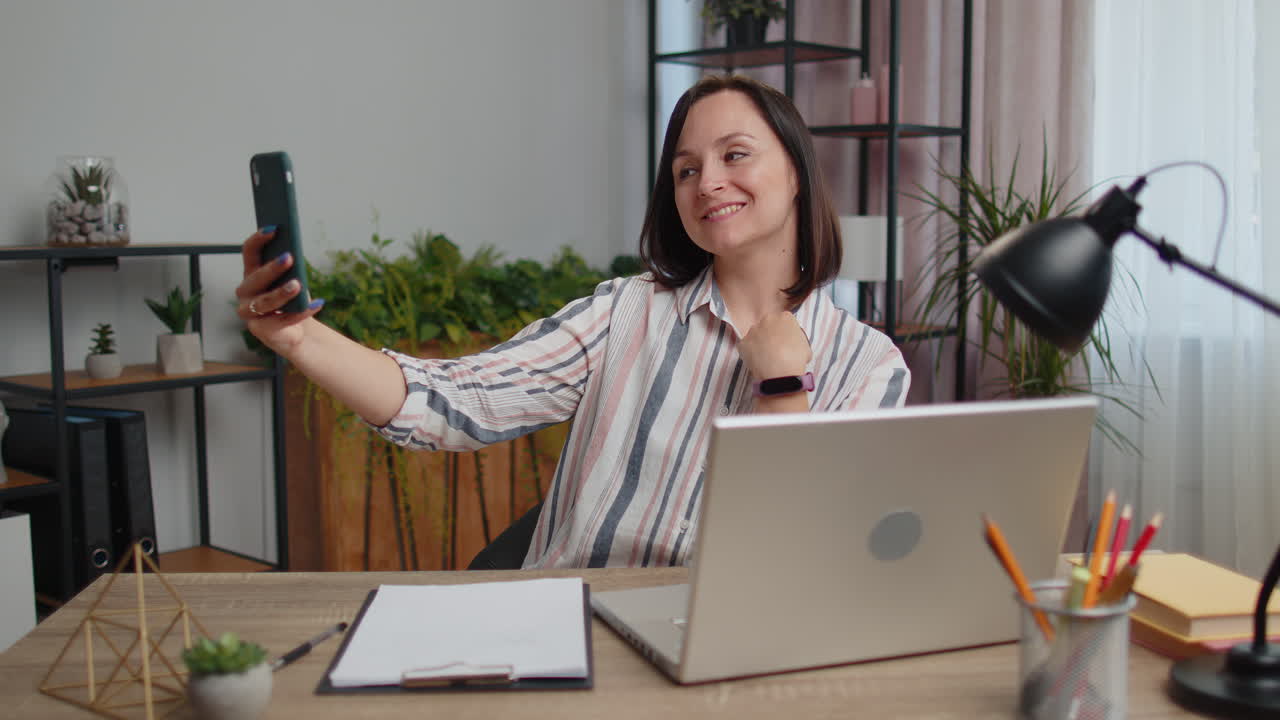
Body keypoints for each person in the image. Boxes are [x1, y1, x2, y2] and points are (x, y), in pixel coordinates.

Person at [236, 74, 909, 569]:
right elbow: (454, 401)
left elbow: (818, 558)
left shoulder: (870, 367)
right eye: (685, 170)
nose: (706, 182)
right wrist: (299, 337)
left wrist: (783, 388)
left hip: (734, 655)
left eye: (735, 155)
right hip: (578, 629)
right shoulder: (625, 313)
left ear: (797, 172)